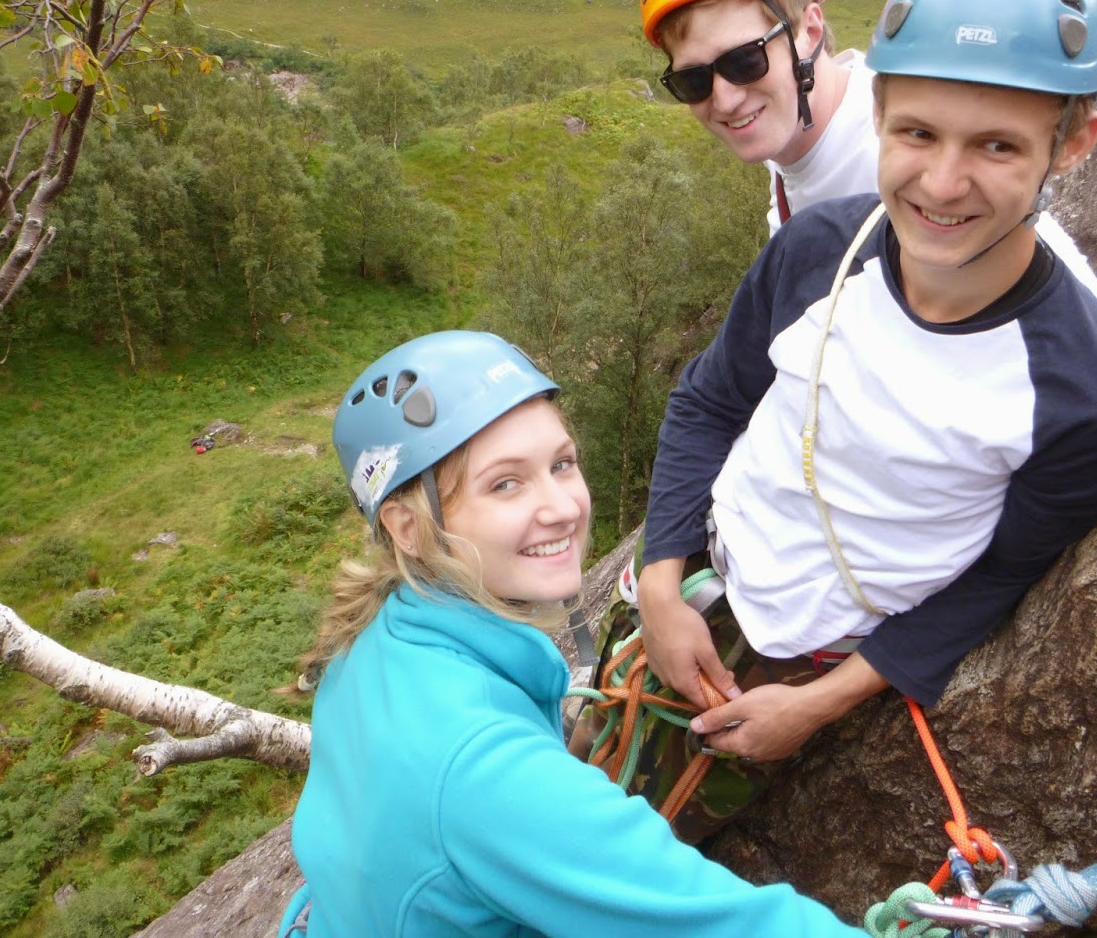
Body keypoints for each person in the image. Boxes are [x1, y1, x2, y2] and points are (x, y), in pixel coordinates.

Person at [607, 0, 1097, 841]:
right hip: (695, 581)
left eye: (996, 146)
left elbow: (999, 577)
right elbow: (711, 399)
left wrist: (817, 706)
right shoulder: (818, 247)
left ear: (1072, 144)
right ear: (879, 111)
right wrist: (663, 585)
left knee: (607, 858)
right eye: (916, 134)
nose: (942, 184)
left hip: (798, 664)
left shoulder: (1091, 403)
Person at [278, 330, 862, 937]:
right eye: (506, 483)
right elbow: (719, 923)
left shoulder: (377, 634)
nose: (563, 507)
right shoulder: (487, 773)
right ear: (407, 528)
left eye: (561, 464)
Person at [638, 0, 1097, 354]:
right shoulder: (801, 147)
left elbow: (1053, 283)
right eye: (693, 80)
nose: (725, 98)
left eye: (745, 60)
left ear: (810, 30)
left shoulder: (899, 154)